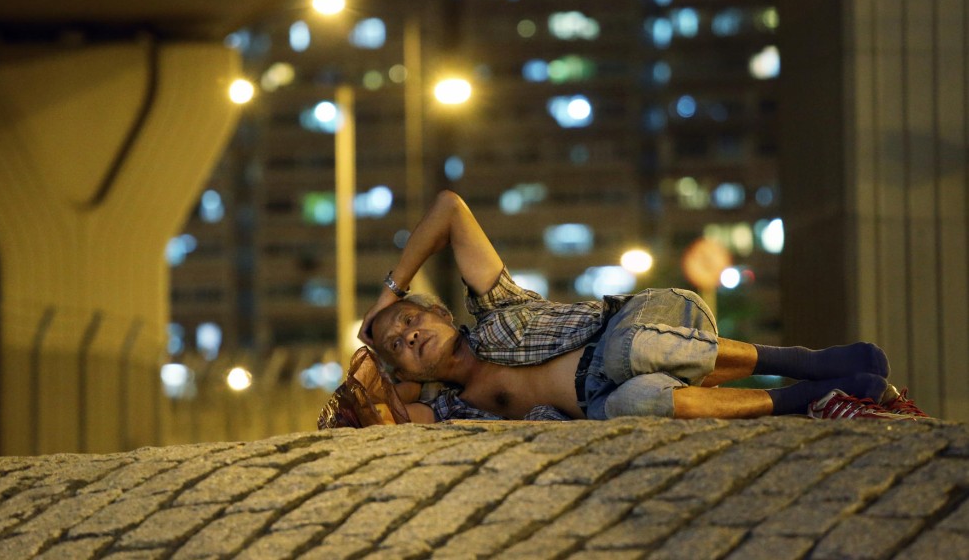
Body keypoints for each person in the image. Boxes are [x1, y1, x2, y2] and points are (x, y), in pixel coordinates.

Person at [358, 190, 925, 423]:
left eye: (410, 320)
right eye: (396, 346)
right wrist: (375, 368)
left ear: (440, 313)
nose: (406, 335)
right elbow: (371, 418)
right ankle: (806, 399)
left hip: (647, 323)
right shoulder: (455, 413)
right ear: (405, 370)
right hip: (618, 395)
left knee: (628, 354)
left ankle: (807, 361)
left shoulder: (494, 309)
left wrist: (389, 293)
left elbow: (449, 208)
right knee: (630, 402)